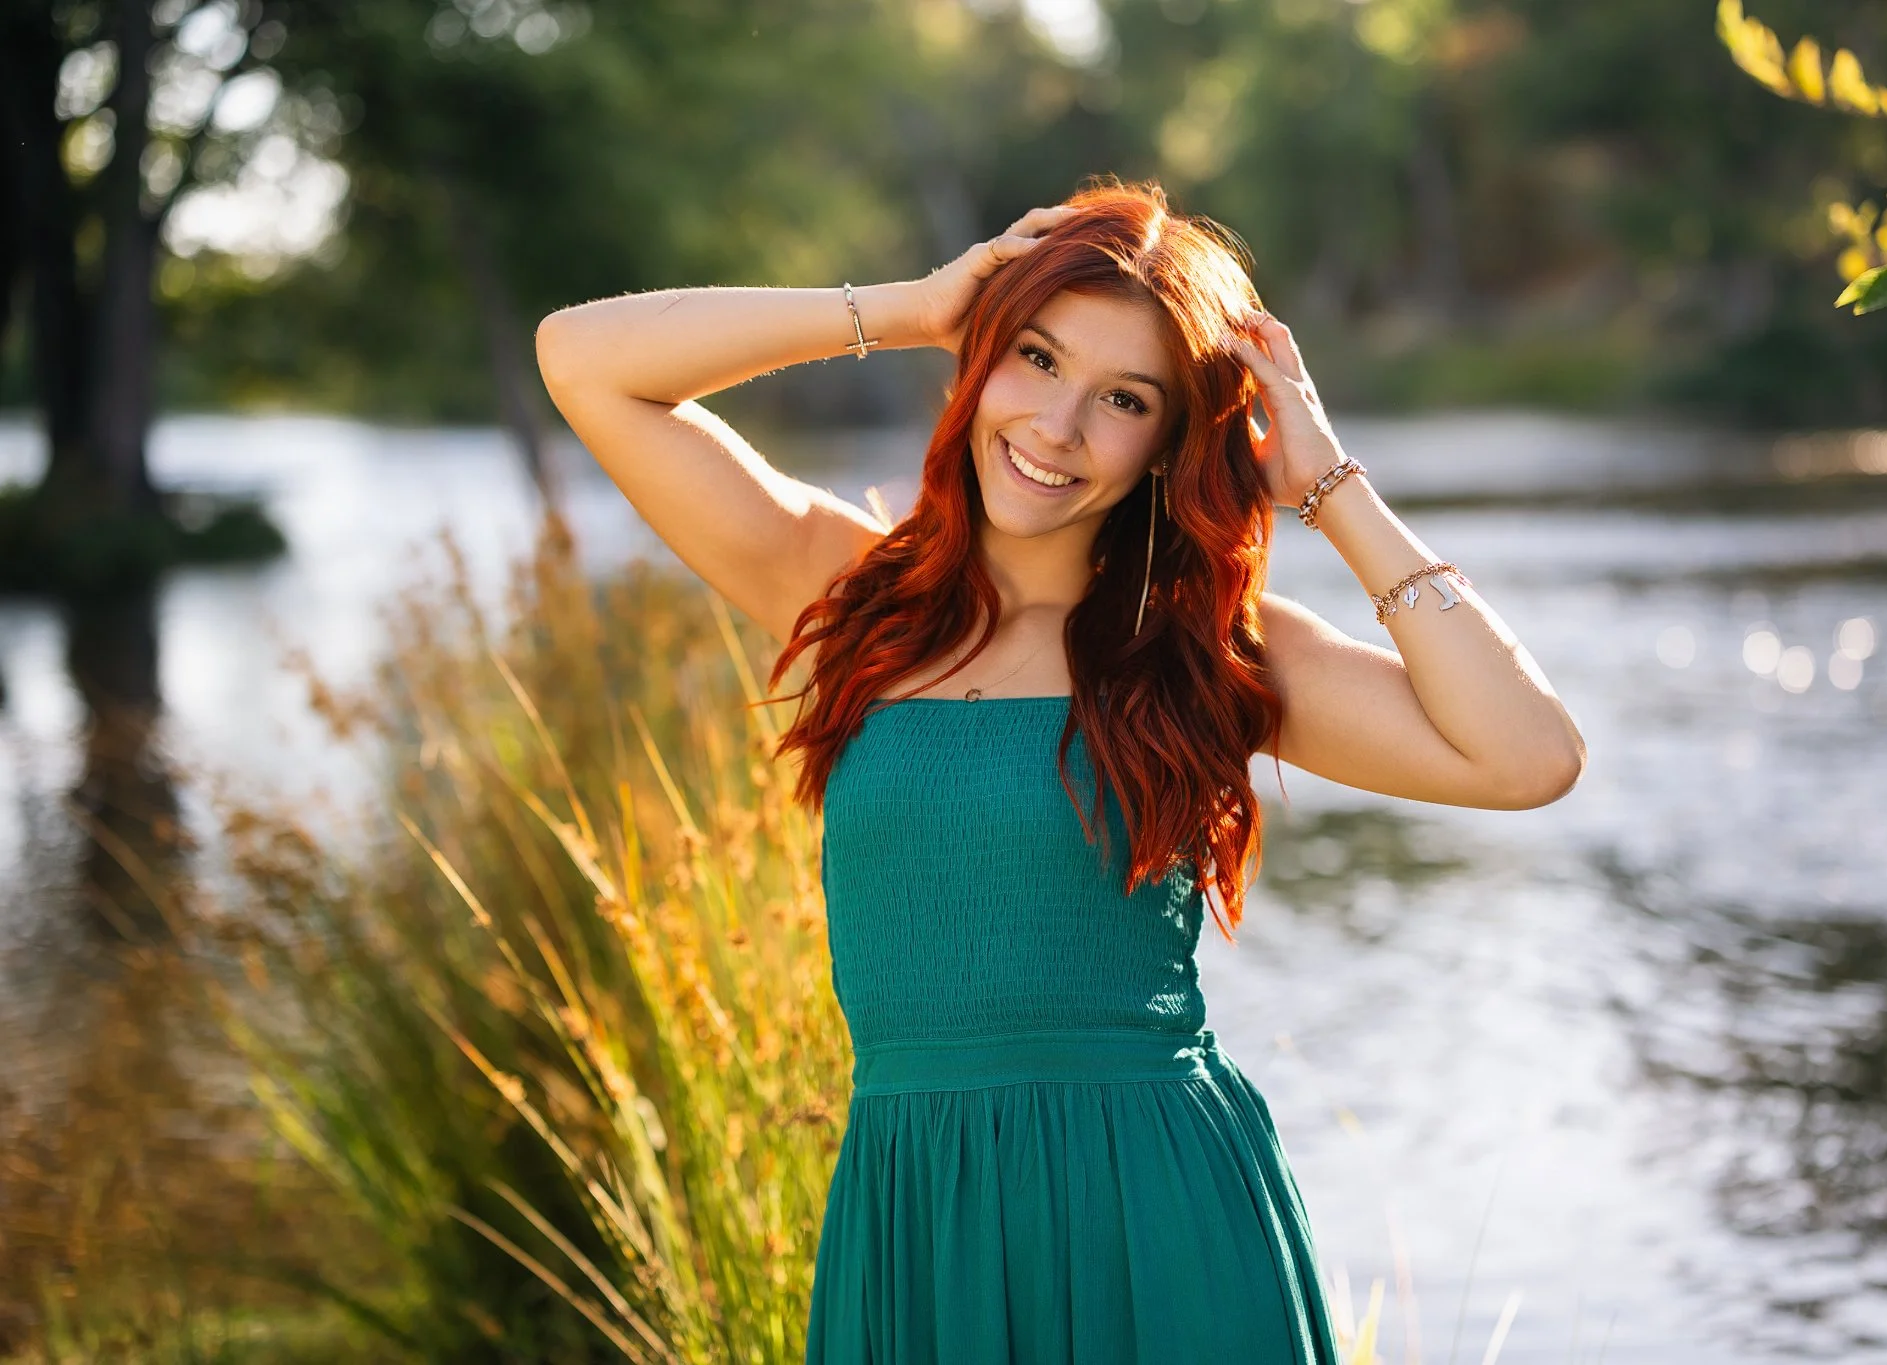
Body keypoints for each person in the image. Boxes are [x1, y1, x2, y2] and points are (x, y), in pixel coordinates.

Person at [534, 177, 1585, 1365]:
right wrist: (917, 304)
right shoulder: (845, 599)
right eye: (1033, 360)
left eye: (1121, 399)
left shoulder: (1208, 653)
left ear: (1167, 446)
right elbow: (581, 358)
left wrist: (1331, 489)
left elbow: (1525, 758)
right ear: (979, 361)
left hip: (1159, 1214)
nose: (1054, 428)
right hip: (914, 1213)